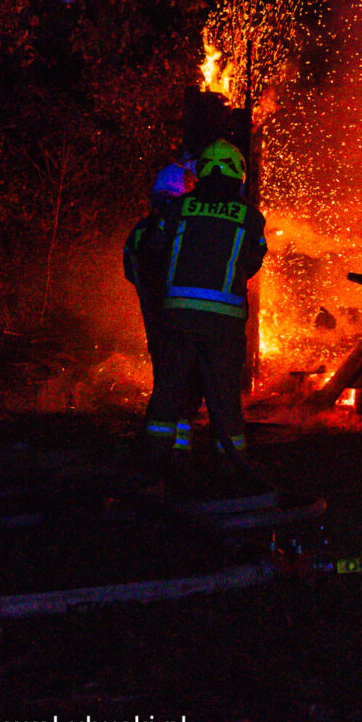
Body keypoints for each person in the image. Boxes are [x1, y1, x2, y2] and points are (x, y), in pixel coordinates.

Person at [142, 138, 270, 492]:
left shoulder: (178, 208)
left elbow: (154, 249)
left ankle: (155, 465)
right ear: (239, 175)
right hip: (222, 326)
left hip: (177, 320)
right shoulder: (250, 217)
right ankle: (230, 468)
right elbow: (253, 261)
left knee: (169, 392)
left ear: (201, 172)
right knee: (224, 397)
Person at [124, 162, 197, 473]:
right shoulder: (180, 227)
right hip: (181, 321)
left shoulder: (140, 230)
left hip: (155, 321)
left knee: (166, 384)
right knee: (187, 386)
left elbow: (131, 272)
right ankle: (176, 456)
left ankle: (157, 451)